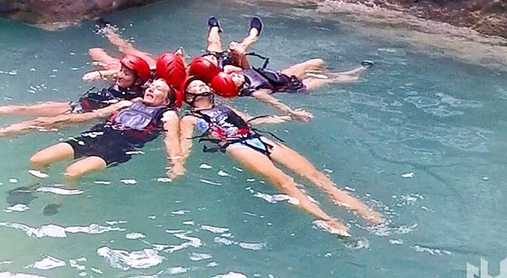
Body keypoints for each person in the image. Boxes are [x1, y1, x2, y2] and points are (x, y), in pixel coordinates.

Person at [180, 77, 383, 236]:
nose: (200, 87)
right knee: (284, 182)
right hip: (234, 145)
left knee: (316, 176)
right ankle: (328, 220)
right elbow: (186, 141)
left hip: (256, 137)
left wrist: (289, 117)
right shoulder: (190, 118)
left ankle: (363, 211)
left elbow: (254, 121)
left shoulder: (226, 108)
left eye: (201, 84)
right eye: (195, 86)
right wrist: (178, 162)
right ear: (188, 97)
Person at [0, 54, 156, 140]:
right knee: (25, 109)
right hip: (76, 105)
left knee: (36, 122)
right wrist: (102, 74)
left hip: (80, 116)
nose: (120, 75)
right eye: (121, 70)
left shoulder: (134, 99)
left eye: (126, 73)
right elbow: (125, 72)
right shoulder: (122, 81)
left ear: (137, 80)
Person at [25, 79, 185, 182]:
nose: (151, 89)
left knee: (72, 172)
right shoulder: (126, 104)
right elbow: (93, 115)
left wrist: (176, 163)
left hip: (120, 147)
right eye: (151, 86)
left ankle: (59, 201)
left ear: (166, 100)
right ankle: (33, 186)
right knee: (38, 159)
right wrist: (53, 121)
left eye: (158, 89)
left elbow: (171, 139)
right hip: (96, 135)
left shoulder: (168, 114)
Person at [210, 61, 369, 120]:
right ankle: (356, 76)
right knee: (325, 80)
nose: (233, 75)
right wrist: (292, 113)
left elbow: (231, 68)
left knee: (317, 63)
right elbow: (276, 104)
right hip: (294, 87)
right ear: (234, 87)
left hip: (284, 76)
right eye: (231, 79)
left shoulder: (234, 73)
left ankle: (343, 73)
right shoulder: (257, 92)